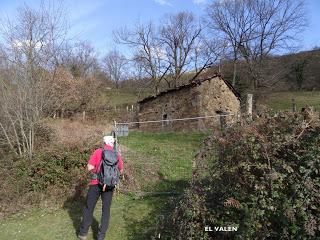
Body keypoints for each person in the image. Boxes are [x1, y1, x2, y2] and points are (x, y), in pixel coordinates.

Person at [78, 135, 123, 240]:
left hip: (96, 183)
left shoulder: (98, 151)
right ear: (112, 143)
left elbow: (89, 167)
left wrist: (95, 170)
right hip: (109, 186)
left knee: (89, 207)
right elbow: (120, 170)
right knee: (106, 210)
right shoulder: (117, 154)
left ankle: (83, 233)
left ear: (104, 143)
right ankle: (101, 236)